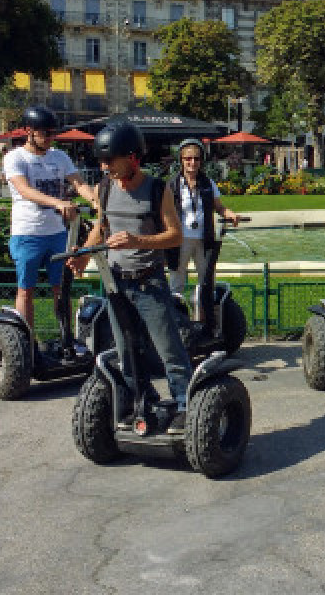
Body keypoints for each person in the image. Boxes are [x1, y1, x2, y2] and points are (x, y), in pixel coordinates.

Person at [67, 122, 192, 434]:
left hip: (149, 283)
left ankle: (183, 404)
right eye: (101, 161)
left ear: (133, 157)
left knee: (168, 350)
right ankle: (142, 400)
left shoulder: (156, 189)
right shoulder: (105, 188)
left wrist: (138, 241)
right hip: (116, 283)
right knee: (125, 350)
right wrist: (84, 252)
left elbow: (175, 235)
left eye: (110, 160)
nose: (104, 166)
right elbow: (102, 226)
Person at [3, 105, 96, 330]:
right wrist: (58, 202)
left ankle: (66, 339)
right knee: (26, 290)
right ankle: (27, 341)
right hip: (28, 232)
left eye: (52, 133)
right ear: (28, 131)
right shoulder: (15, 158)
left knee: (61, 288)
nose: (50, 138)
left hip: (57, 233)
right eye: (45, 133)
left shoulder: (59, 157)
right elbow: (24, 190)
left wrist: (96, 201)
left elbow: (79, 183)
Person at [168, 138, 240, 321]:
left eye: (197, 159)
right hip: (179, 239)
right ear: (181, 160)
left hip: (203, 239)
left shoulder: (208, 184)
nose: (193, 163)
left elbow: (219, 207)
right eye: (188, 159)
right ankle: (177, 323)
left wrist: (229, 214)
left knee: (207, 282)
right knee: (176, 282)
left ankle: (206, 323)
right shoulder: (172, 185)